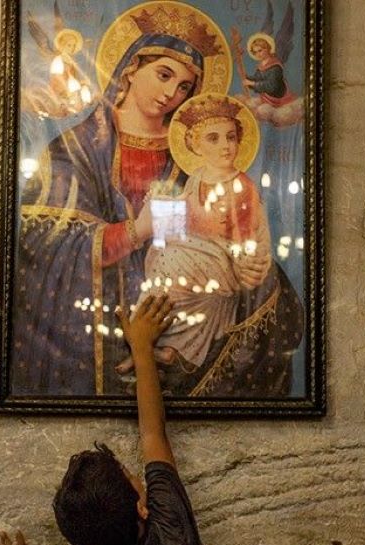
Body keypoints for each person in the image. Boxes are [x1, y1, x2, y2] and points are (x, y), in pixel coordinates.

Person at [12, 5, 226, 396]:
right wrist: (135, 231)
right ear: (130, 69)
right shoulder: (74, 149)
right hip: (91, 320)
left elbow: (208, 235)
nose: (171, 94)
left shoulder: (191, 158)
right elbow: (43, 242)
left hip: (172, 302)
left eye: (184, 87)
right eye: (164, 75)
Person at [0, 294, 237, 545]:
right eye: (129, 474)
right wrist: (142, 347)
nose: (137, 475)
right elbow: (153, 433)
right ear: (142, 508)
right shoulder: (171, 531)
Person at [126, 94, 271, 373]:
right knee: (163, 258)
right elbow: (186, 214)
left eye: (231, 137)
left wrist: (243, 260)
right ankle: (151, 346)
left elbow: (244, 239)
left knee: (171, 260)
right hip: (197, 253)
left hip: (224, 261)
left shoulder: (242, 186)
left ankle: (153, 346)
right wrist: (160, 204)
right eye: (213, 138)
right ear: (195, 145)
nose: (226, 145)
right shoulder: (196, 179)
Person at [242, 33, 294, 108]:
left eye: (260, 50)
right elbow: (258, 79)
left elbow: (271, 86)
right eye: (255, 52)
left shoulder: (275, 66)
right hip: (266, 98)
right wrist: (247, 78)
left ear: (268, 49)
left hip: (278, 100)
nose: (258, 54)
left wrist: (252, 83)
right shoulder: (261, 66)